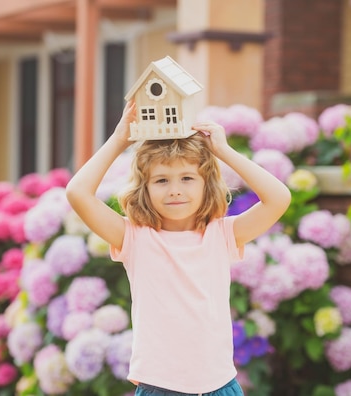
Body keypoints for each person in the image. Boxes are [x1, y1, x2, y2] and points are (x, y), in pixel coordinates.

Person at [66, 100, 291, 396]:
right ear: (144, 189)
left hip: (220, 386)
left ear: (205, 184)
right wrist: (120, 139)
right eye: (161, 180)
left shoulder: (222, 235)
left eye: (187, 178)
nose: (175, 189)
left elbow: (279, 198)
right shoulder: (133, 238)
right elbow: (78, 192)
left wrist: (224, 151)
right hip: (161, 388)